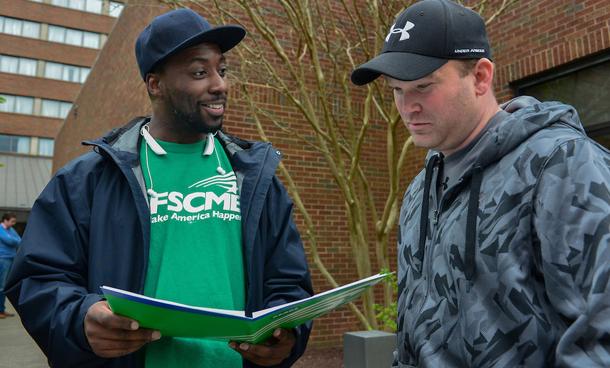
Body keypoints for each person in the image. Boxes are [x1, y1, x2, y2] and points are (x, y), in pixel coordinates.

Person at [6, 8, 313, 368]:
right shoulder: (86, 181)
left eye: (222, 70)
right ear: (156, 84)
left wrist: (286, 335)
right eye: (200, 72)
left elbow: (289, 285)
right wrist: (82, 318)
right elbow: (37, 279)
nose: (220, 84)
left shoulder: (256, 179)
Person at [351, 0, 610, 366]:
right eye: (397, 90)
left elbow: (601, 337)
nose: (408, 107)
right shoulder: (419, 192)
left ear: (481, 77)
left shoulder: (561, 166)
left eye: (423, 87)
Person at [0, 213, 20, 319]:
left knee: (5, 286)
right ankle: (0, 311)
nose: (13, 223)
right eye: (12, 221)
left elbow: (19, 240)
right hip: (3, 259)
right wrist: (13, 240)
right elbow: (10, 241)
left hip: (11, 258)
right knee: (1, 286)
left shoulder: (10, 230)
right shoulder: (0, 229)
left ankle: (2, 310)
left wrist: (13, 240)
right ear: (5, 220)